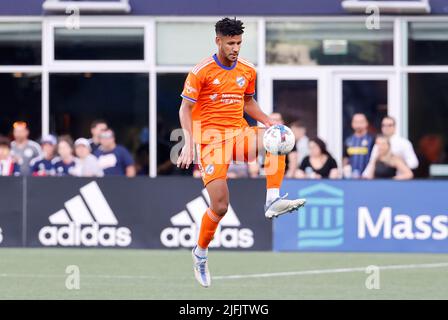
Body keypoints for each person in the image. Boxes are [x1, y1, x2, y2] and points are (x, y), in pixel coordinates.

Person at [176, 17, 306, 288]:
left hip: (238, 134)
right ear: (218, 41)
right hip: (211, 143)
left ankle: (272, 199)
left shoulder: (247, 69)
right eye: (230, 43)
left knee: (276, 138)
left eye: (239, 43)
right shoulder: (201, 71)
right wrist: (188, 142)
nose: (235, 48)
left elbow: (248, 102)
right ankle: (200, 252)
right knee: (220, 206)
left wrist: (268, 120)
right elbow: (185, 109)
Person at [343, 113, 375, 178]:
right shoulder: (348, 140)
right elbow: (345, 158)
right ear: (352, 124)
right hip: (351, 178)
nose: (358, 124)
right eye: (356, 122)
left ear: (366, 123)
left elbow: (375, 159)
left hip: (368, 178)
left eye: (361, 122)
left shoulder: (372, 139)